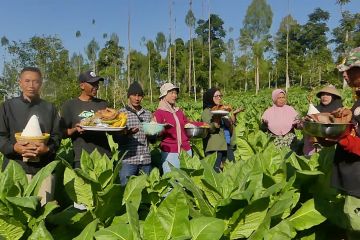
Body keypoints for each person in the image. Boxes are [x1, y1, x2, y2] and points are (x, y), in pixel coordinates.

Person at [0, 67, 61, 205]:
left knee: (42, 214)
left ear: (41, 84)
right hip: (15, 170)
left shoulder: (49, 108)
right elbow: (1, 136)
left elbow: (57, 136)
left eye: (36, 81)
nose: (31, 86)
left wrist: (47, 149)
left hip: (43, 171)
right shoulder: (7, 107)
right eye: (27, 81)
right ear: (20, 82)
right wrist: (14, 147)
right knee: (16, 217)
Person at [329, 47, 360, 234]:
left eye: (349, 70)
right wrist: (347, 119)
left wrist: (342, 137)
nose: (345, 76)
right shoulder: (358, 98)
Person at [60, 70, 111, 168]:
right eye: (92, 84)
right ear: (82, 86)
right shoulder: (70, 105)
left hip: (104, 156)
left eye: (97, 83)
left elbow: (110, 129)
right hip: (82, 158)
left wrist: (123, 129)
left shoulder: (103, 104)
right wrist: (75, 129)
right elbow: (62, 133)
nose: (96, 86)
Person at [117, 82, 152, 185]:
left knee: (146, 192)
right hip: (128, 161)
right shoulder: (121, 114)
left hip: (145, 160)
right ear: (129, 96)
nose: (137, 98)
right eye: (134, 95)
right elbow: (116, 139)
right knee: (127, 192)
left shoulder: (148, 114)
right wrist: (127, 133)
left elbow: (152, 140)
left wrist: (154, 133)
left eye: (140, 95)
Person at [153, 83, 191, 174]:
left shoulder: (179, 111)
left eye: (176, 93)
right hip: (170, 153)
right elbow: (156, 133)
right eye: (172, 93)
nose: (175, 95)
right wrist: (161, 128)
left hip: (186, 151)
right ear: (164, 95)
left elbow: (187, 124)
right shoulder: (159, 112)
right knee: (172, 183)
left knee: (187, 183)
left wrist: (202, 124)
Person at [201, 87, 242, 172]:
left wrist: (234, 115)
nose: (219, 98)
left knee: (232, 170)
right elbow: (208, 128)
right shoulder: (206, 112)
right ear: (210, 97)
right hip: (215, 147)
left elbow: (229, 124)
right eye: (216, 96)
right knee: (216, 173)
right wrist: (216, 121)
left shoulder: (222, 110)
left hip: (226, 145)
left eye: (220, 96)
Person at [303, 85, 343, 155]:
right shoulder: (315, 109)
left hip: (332, 144)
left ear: (333, 97)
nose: (324, 97)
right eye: (323, 95)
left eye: (328, 95)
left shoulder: (340, 110)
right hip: (314, 144)